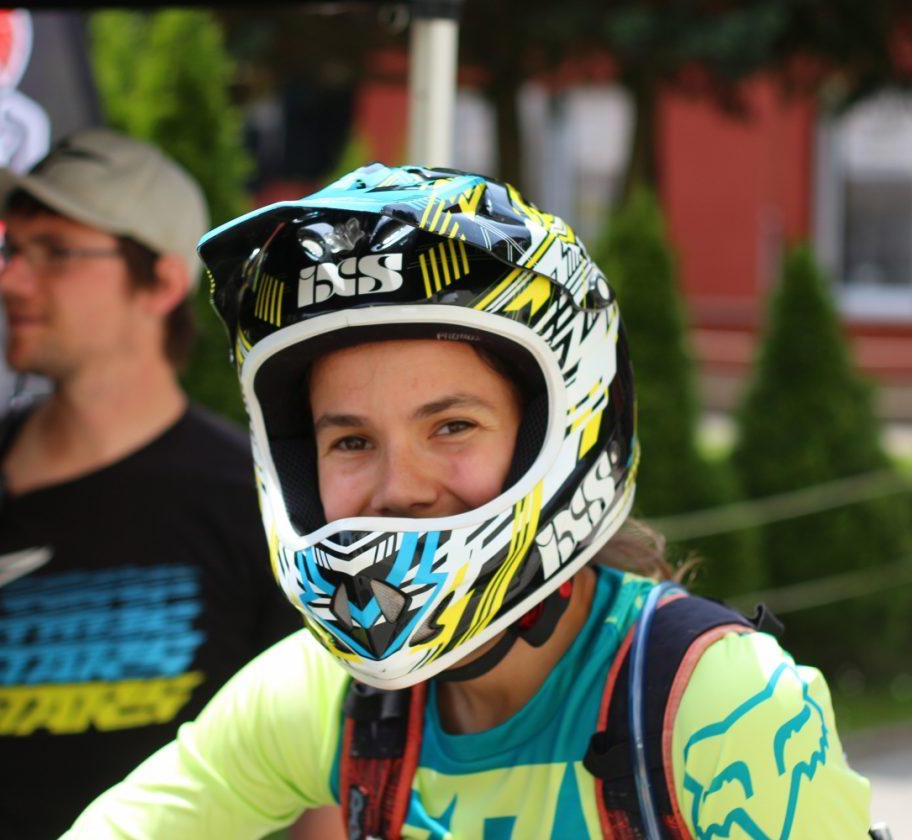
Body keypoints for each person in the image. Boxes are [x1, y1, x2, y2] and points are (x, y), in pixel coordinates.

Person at [66, 163, 871, 839]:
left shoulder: (717, 704)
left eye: (452, 426)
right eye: (350, 441)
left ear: (563, 428)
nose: (400, 488)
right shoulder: (329, 697)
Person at [0, 128, 298, 839]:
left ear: (162, 283)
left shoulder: (262, 498)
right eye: (9, 250)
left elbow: (321, 765)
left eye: (56, 252)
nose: (9, 281)